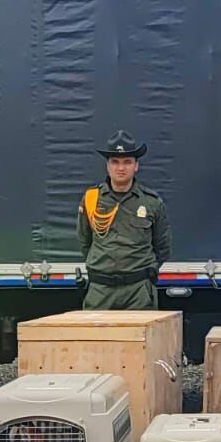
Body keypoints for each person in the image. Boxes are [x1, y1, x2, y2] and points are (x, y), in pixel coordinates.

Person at [77, 130, 171, 310]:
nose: (121, 168)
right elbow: (84, 242)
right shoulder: (91, 199)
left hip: (138, 292)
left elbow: (163, 248)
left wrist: (143, 272)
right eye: (115, 162)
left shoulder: (151, 202)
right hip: (100, 291)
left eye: (127, 162)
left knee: (141, 338)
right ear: (107, 165)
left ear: (136, 166)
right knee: (98, 339)